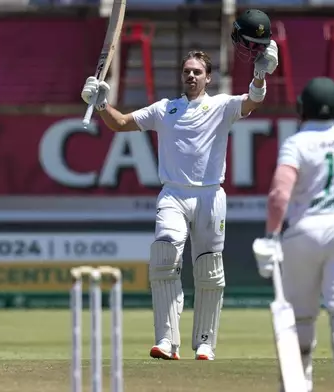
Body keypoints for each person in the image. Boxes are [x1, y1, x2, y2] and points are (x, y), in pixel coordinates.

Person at [81, 9, 278, 361]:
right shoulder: (164, 109)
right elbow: (121, 123)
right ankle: (166, 341)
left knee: (209, 270)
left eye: (197, 72)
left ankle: (204, 341)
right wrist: (100, 103)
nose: (190, 75)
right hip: (172, 193)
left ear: (207, 77)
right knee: (164, 255)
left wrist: (260, 75)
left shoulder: (221, 106)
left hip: (209, 195)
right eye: (186, 71)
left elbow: (254, 101)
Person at [251, 77, 334, 392]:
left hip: (303, 232)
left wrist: (270, 235)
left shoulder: (298, 142)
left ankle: (299, 381)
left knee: (301, 315)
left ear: (300, 109)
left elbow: (279, 195)